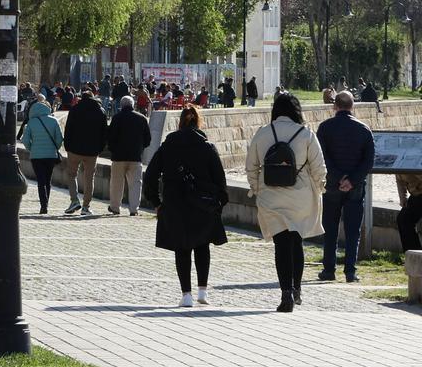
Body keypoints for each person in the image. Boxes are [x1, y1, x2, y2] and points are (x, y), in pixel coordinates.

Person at [245, 93, 327, 312]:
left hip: (271, 196)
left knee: (281, 244)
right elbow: (319, 167)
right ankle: (297, 289)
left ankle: (286, 293)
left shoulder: (262, 134)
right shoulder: (306, 133)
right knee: (296, 241)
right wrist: (320, 188)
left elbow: (251, 166)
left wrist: (257, 189)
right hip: (299, 196)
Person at [143, 105, 228, 308]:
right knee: (202, 246)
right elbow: (221, 181)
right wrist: (218, 205)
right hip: (203, 205)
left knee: (182, 248)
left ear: (180, 122)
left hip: (175, 203)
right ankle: (203, 291)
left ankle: (186, 295)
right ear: (198, 122)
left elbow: (151, 176)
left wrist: (156, 203)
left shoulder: (168, 146)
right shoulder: (207, 147)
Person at [315, 91, 375, 282]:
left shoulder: (324, 128)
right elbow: (368, 161)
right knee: (352, 230)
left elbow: (322, 158)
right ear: (352, 106)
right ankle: (350, 271)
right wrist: (352, 180)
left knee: (330, 228)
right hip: (355, 187)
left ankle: (329, 270)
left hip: (332, 185)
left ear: (335, 106)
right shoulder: (364, 130)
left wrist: (339, 177)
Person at [62, 91, 108, 215]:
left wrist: (67, 146)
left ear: (81, 98)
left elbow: (68, 129)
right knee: (89, 178)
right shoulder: (100, 111)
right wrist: (100, 148)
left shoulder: (75, 109)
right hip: (92, 151)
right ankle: (86, 206)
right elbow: (104, 133)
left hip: (74, 149)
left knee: (71, 175)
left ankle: (74, 200)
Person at [107, 95, 150, 216]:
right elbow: (148, 139)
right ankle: (134, 209)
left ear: (121, 105)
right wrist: (140, 149)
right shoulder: (142, 118)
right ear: (133, 105)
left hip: (118, 157)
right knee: (136, 184)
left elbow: (110, 137)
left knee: (116, 184)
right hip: (135, 156)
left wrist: (113, 149)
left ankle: (115, 207)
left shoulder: (116, 118)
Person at [21, 98, 62, 215]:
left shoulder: (31, 122)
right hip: (50, 155)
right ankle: (46, 203)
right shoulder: (54, 121)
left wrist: (31, 149)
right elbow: (59, 139)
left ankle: (43, 205)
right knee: (48, 180)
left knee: (40, 180)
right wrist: (55, 148)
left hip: (36, 156)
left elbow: (25, 140)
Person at [397, 172, 422, 252]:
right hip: (415, 195)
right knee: (403, 219)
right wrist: (403, 198)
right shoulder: (399, 163)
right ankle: (412, 253)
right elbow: (399, 180)